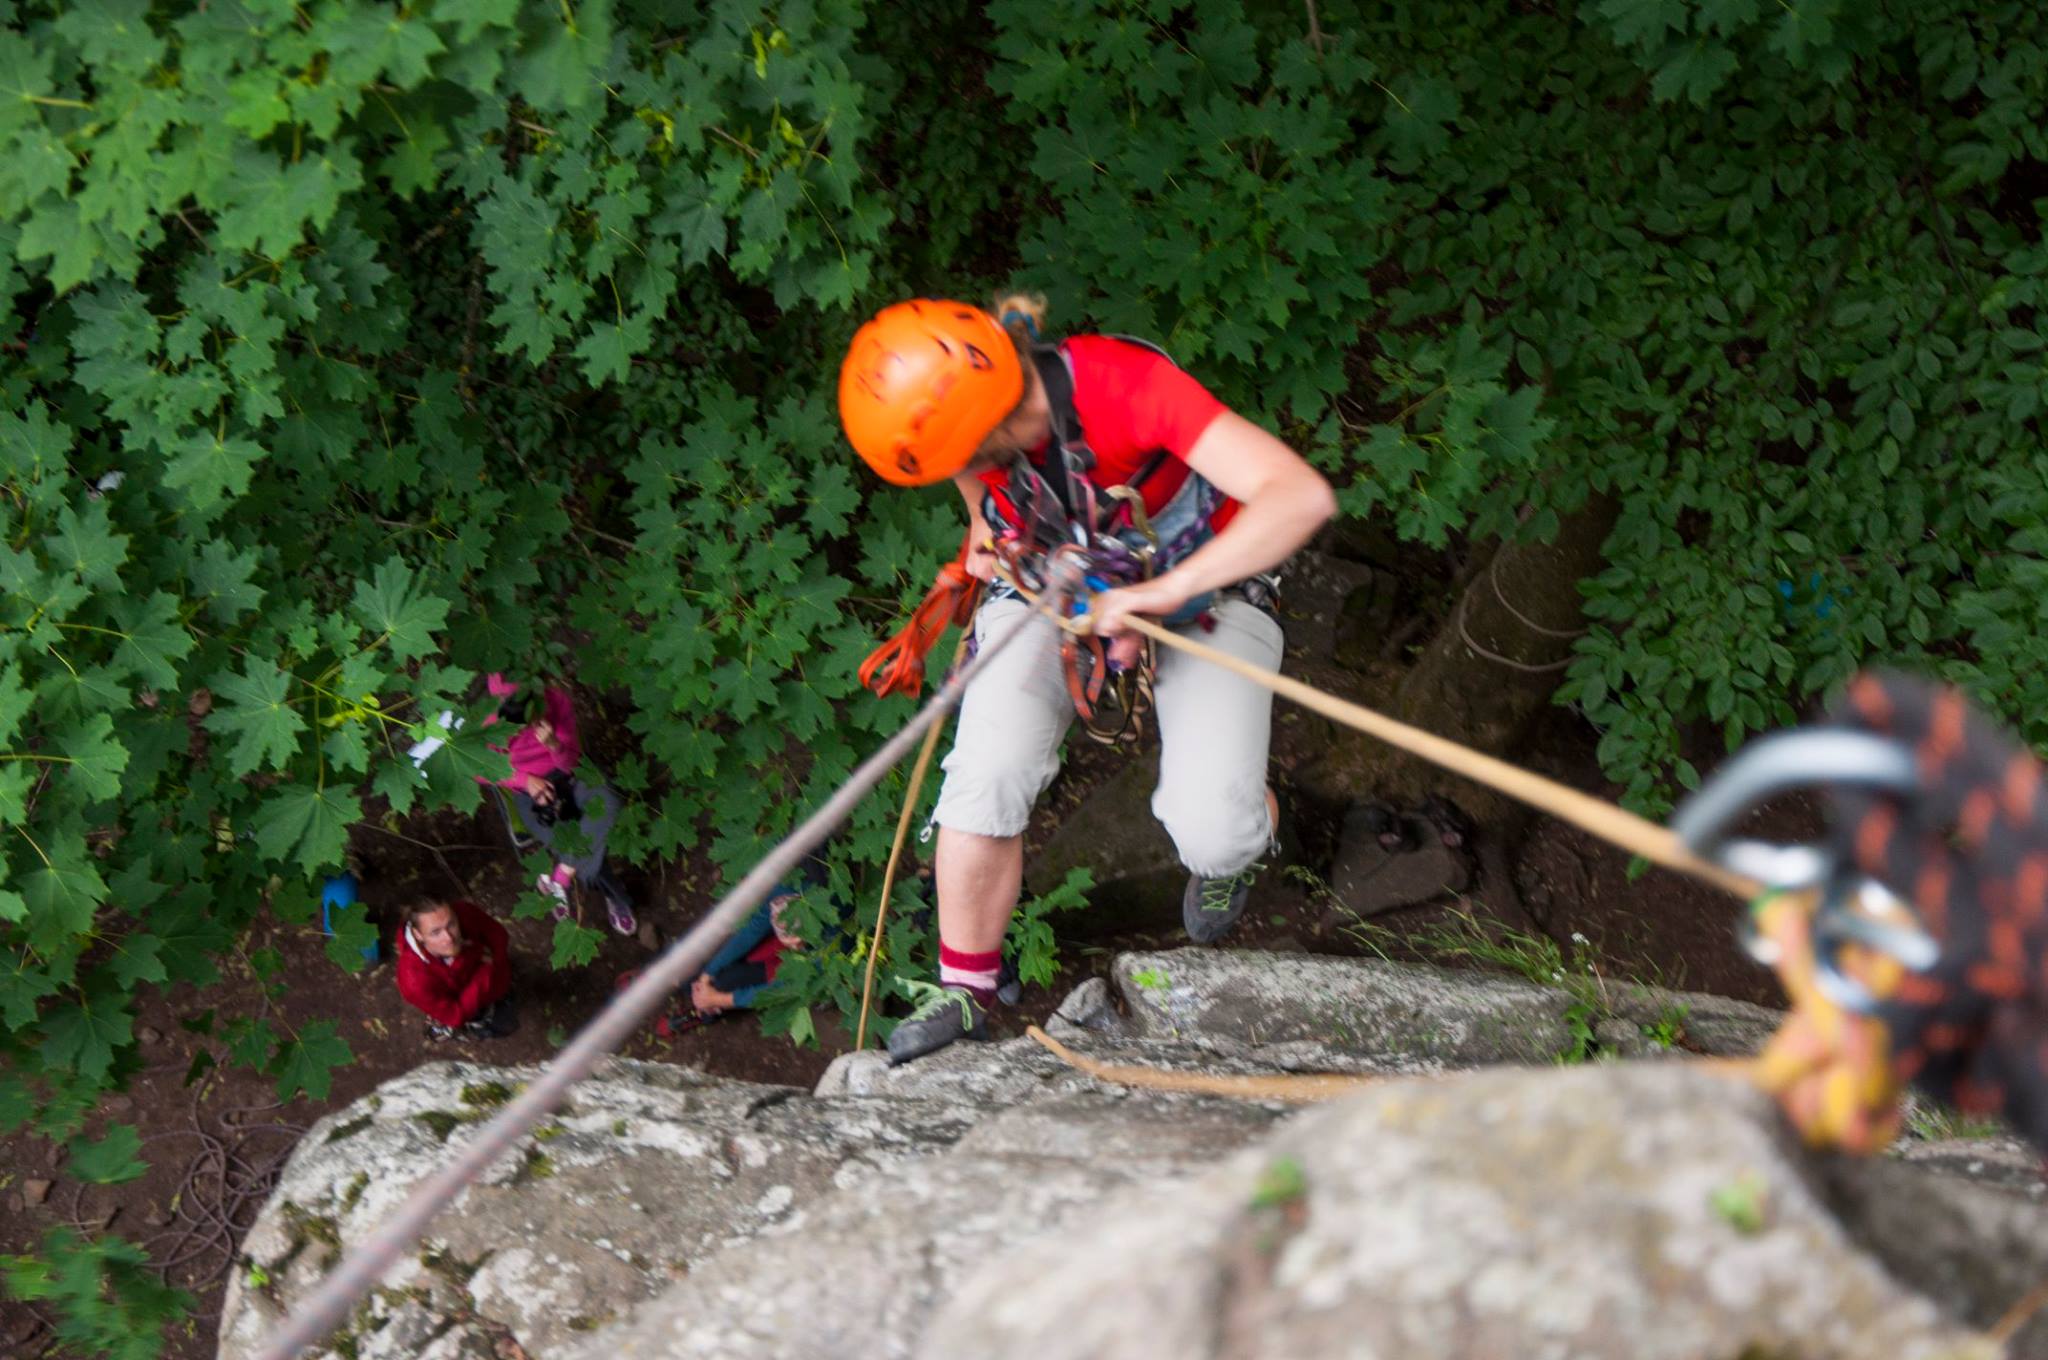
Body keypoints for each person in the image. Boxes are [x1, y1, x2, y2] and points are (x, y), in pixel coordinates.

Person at [839, 294, 1336, 1064]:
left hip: (1207, 580)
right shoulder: (972, 445)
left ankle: (1244, 835)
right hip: (1052, 585)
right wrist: (989, 547)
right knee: (986, 772)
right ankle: (964, 992)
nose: (964, 474)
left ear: (988, 420)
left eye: (964, 459)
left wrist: (1157, 596)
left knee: (1213, 825)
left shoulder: (1126, 387)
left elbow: (1299, 495)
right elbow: (986, 501)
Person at [482, 674, 637, 935]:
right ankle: (618, 899)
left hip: (571, 775)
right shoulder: (490, 724)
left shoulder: (556, 701)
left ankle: (560, 876)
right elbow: (480, 769)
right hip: (531, 794)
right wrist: (525, 780)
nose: (523, 729)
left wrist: (554, 745)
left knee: (608, 802)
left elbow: (572, 763)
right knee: (577, 839)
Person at [395, 898, 515, 1041]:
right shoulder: (414, 980)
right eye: (435, 932)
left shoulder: (465, 912)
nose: (449, 938)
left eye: (451, 924)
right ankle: (477, 1024)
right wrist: (487, 970)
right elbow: (455, 1015)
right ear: (418, 935)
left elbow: (498, 935)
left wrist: (496, 961)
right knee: (487, 1019)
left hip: (492, 980)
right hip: (473, 998)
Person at [687, 887, 809, 1017]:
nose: (795, 947)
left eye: (797, 941)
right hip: (771, 953)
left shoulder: (829, 943)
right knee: (696, 978)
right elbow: (753, 930)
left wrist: (719, 999)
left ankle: (703, 1010)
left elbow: (788, 985)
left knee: (722, 985)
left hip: (783, 965)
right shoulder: (782, 893)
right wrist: (708, 973)